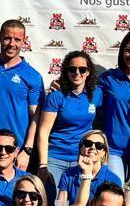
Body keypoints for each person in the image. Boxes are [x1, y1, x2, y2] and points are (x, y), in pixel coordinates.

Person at [0, 17, 44, 162]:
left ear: (24, 41)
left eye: (17, 40)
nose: (12, 44)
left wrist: (27, 150)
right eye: (7, 38)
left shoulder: (33, 76)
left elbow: (36, 117)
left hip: (15, 151)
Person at [33, 50, 101, 186]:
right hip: (56, 158)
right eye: (72, 69)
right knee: (55, 198)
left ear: (88, 72)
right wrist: (43, 165)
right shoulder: (56, 96)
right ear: (66, 71)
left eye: (82, 69)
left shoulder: (97, 93)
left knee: (80, 197)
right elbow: (43, 132)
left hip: (83, 158)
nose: (77, 73)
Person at [98, 30, 130, 178]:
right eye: (128, 50)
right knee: (115, 190)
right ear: (122, 51)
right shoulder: (109, 78)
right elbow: (85, 92)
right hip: (113, 150)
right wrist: (62, 87)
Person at [52, 130, 122, 206]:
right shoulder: (68, 174)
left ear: (104, 153)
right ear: (81, 149)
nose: (93, 147)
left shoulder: (113, 180)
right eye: (88, 143)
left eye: (99, 146)